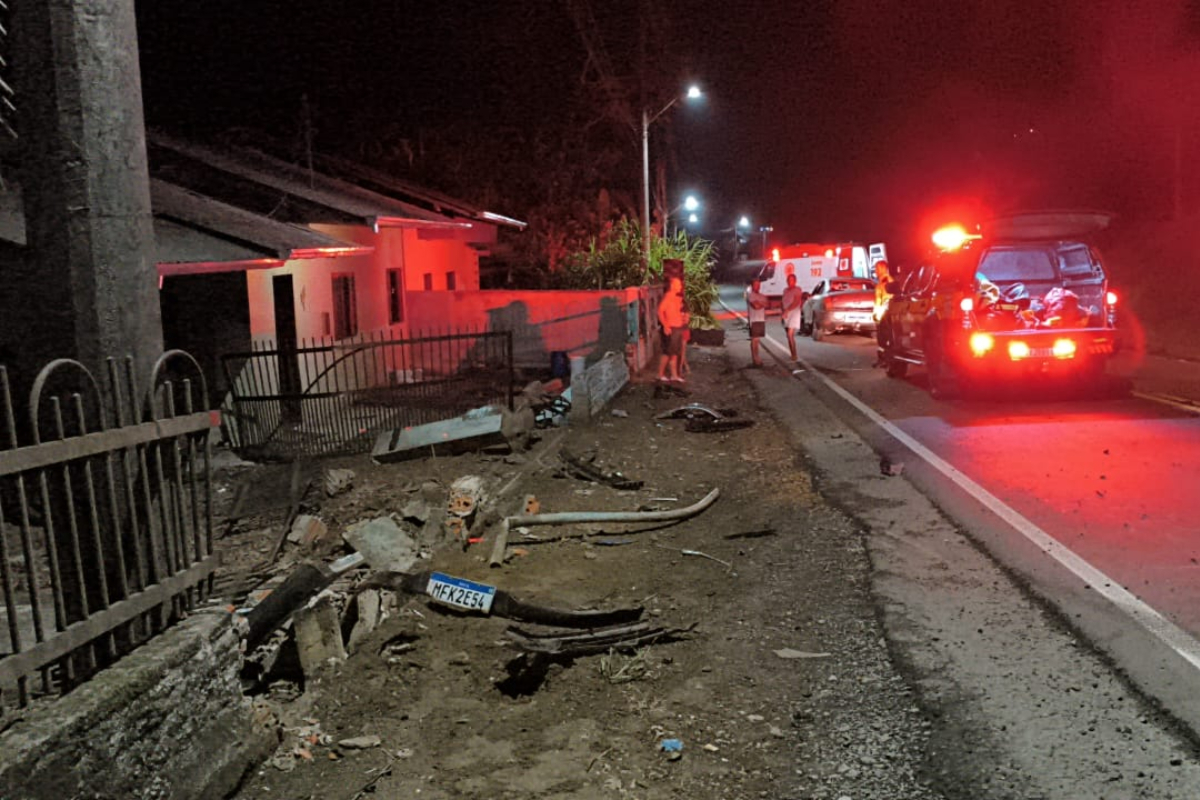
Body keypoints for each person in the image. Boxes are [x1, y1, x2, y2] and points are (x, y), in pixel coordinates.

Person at [656, 277, 687, 382]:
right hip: (671, 328)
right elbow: (660, 311)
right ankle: (660, 374)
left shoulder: (676, 297)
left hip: (677, 328)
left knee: (674, 353)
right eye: (678, 285)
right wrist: (665, 325)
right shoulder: (668, 297)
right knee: (667, 353)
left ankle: (674, 375)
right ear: (672, 285)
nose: (680, 287)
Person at [780, 273, 804, 359]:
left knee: (790, 334)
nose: (790, 282)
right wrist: (783, 311)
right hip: (786, 314)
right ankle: (792, 353)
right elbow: (782, 301)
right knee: (788, 335)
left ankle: (794, 354)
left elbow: (796, 302)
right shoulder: (785, 290)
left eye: (791, 280)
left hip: (794, 313)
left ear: (795, 281)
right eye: (788, 280)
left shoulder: (797, 289)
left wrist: (787, 310)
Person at [746, 278, 767, 366]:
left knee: (757, 340)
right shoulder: (750, 295)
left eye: (758, 285)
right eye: (755, 285)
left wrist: (760, 303)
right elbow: (756, 306)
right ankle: (755, 359)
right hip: (754, 320)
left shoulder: (762, 295)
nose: (757, 286)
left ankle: (757, 358)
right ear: (752, 286)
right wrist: (761, 303)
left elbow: (767, 304)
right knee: (754, 340)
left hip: (761, 319)